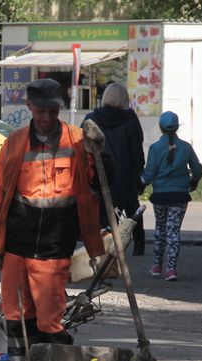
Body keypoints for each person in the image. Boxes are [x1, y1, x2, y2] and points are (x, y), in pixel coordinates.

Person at [0, 78, 105, 361]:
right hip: (16, 240)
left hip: (55, 242)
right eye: (41, 111)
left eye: (53, 111)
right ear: (30, 108)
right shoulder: (14, 142)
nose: (47, 118)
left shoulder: (77, 140)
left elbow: (100, 180)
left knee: (49, 318)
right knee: (15, 314)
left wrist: (101, 151)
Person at [82, 82, 146, 255]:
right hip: (125, 176)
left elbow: (82, 149)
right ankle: (139, 245)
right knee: (132, 210)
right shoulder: (130, 120)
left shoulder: (91, 119)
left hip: (99, 175)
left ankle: (106, 246)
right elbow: (137, 151)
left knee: (104, 214)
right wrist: (139, 174)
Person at [140, 110, 202, 282]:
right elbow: (197, 170)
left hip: (160, 196)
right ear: (177, 128)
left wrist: (140, 182)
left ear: (160, 128)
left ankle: (156, 266)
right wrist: (193, 181)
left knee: (160, 229)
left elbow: (149, 174)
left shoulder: (154, 148)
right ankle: (171, 270)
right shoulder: (186, 147)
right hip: (179, 196)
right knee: (173, 231)